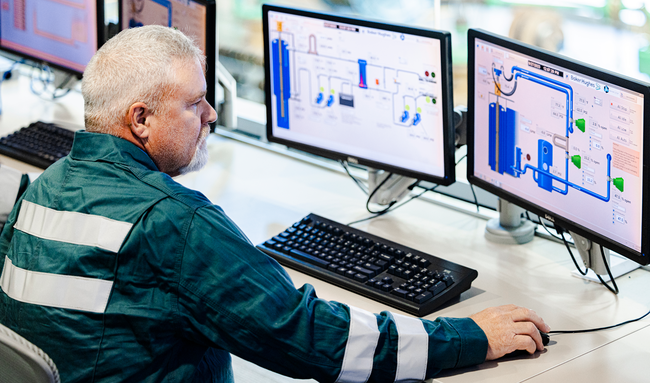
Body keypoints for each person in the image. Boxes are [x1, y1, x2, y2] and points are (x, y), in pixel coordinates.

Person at [0, 26, 549, 383]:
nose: (212, 115)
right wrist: (470, 338)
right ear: (140, 119)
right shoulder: (172, 221)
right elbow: (312, 340)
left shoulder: (46, 188)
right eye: (194, 103)